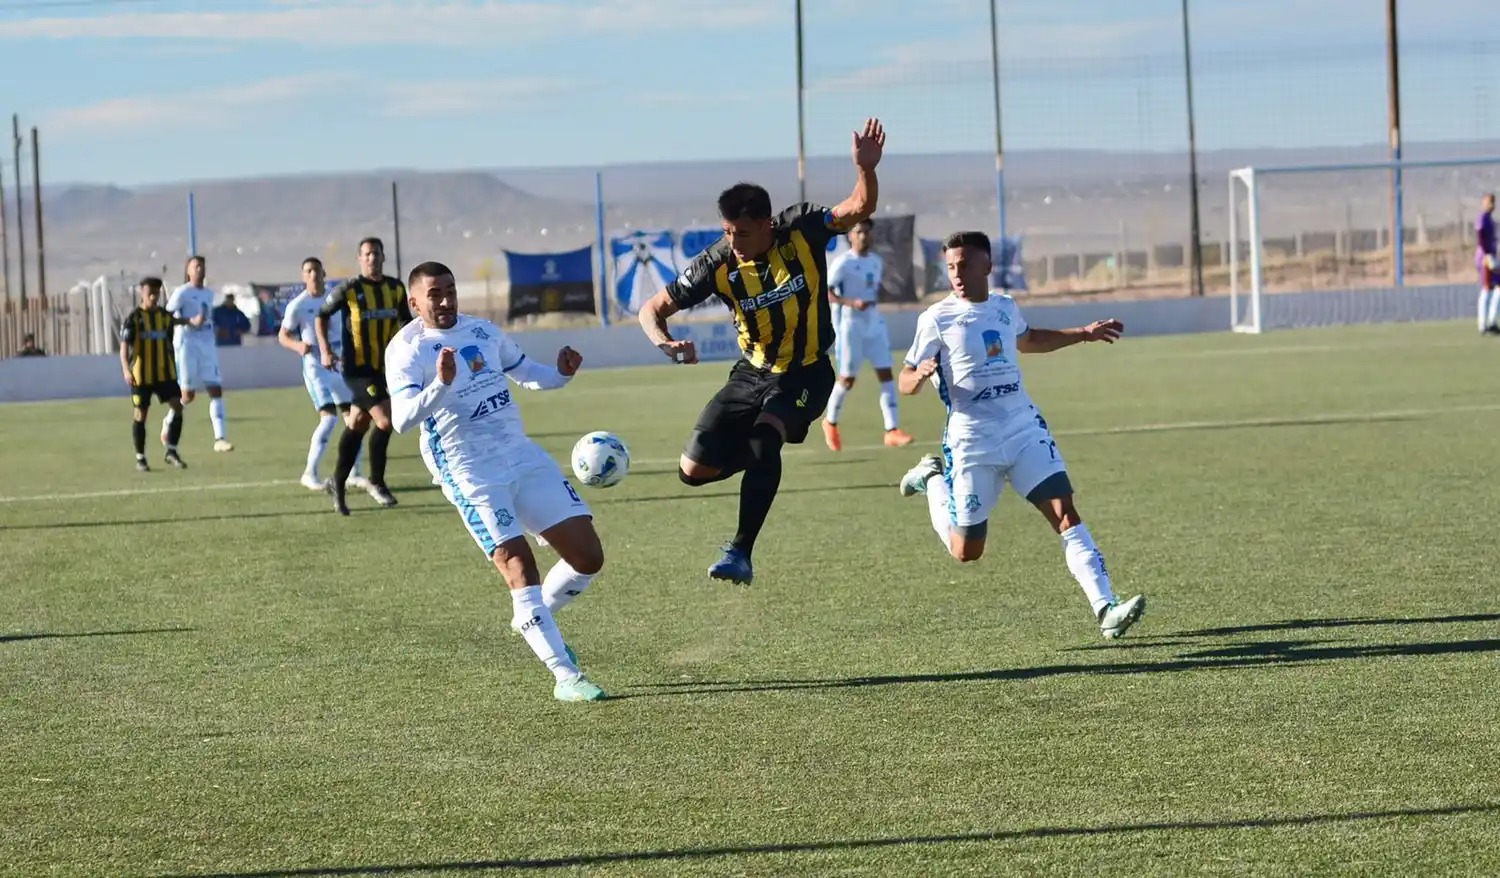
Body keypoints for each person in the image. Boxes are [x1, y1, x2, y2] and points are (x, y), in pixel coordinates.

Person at [636, 117, 887, 585]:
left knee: (765, 436)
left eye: (743, 233)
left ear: (767, 225)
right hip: (750, 373)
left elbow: (859, 207)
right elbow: (652, 309)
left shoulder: (802, 229)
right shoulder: (717, 263)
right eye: (727, 232)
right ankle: (756, 458)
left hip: (807, 372)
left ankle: (740, 552)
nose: (734, 243)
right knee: (692, 470)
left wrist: (865, 170)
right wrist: (663, 341)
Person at [896, 230, 1146, 640]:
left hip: (1022, 429)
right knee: (966, 551)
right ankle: (932, 478)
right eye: (951, 267)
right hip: (971, 441)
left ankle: (1106, 608)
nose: (957, 274)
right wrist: (919, 376)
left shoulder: (1005, 307)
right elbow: (905, 379)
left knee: (1065, 513)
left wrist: (1083, 333)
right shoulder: (936, 318)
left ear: (987, 265)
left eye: (965, 265)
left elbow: (1029, 340)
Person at [386, 261, 607, 703]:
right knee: (518, 563)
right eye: (434, 294)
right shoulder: (407, 350)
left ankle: (533, 617)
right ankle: (565, 674)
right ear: (414, 303)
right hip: (469, 471)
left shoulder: (482, 331)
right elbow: (402, 420)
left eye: (450, 290)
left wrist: (560, 374)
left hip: (521, 455)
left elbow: (526, 372)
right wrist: (441, 384)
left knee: (588, 557)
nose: (445, 300)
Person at [316, 237, 410, 514]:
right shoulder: (350, 289)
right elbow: (322, 315)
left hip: (384, 369)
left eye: (376, 253)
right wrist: (325, 350)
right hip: (357, 370)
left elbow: (406, 323)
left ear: (383, 257)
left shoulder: (395, 288)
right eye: (367, 254)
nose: (372, 258)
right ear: (359, 259)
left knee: (358, 423)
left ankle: (337, 482)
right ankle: (377, 482)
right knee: (385, 420)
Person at [279, 256, 370, 492]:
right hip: (315, 367)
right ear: (303, 276)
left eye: (317, 270)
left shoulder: (335, 298)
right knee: (329, 419)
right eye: (308, 271)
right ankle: (310, 474)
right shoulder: (298, 305)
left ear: (324, 273)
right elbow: (283, 336)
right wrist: (298, 346)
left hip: (339, 365)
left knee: (355, 419)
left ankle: (354, 473)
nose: (313, 275)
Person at [821, 218, 912, 451]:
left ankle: (892, 430)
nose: (863, 236)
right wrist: (851, 302)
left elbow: (873, 288)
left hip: (874, 322)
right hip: (851, 325)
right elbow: (827, 293)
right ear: (850, 236)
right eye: (859, 232)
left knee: (886, 374)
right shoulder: (843, 263)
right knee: (847, 379)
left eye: (867, 232)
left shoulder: (875, 262)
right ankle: (830, 422)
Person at [163, 255, 233, 452]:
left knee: (215, 389)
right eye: (196, 267)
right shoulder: (182, 293)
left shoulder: (209, 294)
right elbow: (165, 317)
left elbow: (206, 317)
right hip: (187, 345)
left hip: (207, 344)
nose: (200, 270)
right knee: (188, 395)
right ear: (188, 271)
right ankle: (168, 422)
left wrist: (211, 327)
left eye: (202, 266)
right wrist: (189, 321)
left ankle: (220, 439)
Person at [119, 277, 187, 472]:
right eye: (150, 293)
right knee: (141, 414)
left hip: (165, 373)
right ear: (142, 292)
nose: (153, 297)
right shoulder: (134, 319)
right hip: (141, 376)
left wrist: (192, 321)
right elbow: (124, 347)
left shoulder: (164, 316)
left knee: (178, 406)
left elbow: (176, 321)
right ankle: (140, 458)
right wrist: (126, 369)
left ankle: (171, 451)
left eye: (156, 293)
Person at [1478, 193, 1498, 335]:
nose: (1492, 205)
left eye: (1493, 202)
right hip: (1485, 258)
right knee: (1487, 289)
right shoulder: (1482, 218)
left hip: (1492, 256)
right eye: (1489, 202)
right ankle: (1483, 324)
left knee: (1496, 288)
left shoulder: (1490, 219)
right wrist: (1486, 253)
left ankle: (1491, 322)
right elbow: (1480, 233)